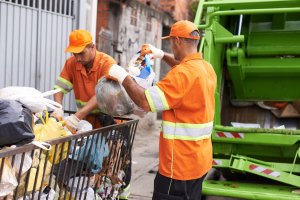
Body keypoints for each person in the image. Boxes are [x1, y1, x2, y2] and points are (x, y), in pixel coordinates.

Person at [107, 20, 217, 199]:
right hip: (200, 162)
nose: (172, 46)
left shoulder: (181, 75)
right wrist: (160, 54)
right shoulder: (206, 68)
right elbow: (184, 66)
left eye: (172, 42)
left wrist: (123, 76)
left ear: (178, 41)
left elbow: (145, 101)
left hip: (178, 167)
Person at [53, 29, 131, 199]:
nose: (78, 58)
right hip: (88, 122)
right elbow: (60, 87)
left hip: (109, 119)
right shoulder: (72, 64)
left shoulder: (107, 63)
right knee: (88, 164)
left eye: (80, 53)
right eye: (74, 54)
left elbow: (101, 96)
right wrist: (57, 108)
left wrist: (77, 116)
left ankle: (121, 192)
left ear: (92, 47)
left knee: (113, 162)